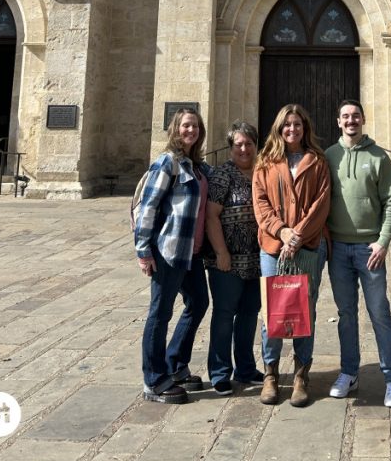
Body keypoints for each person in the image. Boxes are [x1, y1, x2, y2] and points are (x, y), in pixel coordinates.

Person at [252, 103, 331, 407]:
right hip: (274, 246)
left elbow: (322, 203)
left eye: (297, 125)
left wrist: (297, 235)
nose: (292, 130)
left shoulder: (318, 161)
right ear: (278, 128)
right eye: (287, 125)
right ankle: (270, 374)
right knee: (272, 310)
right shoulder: (265, 163)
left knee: (305, 310)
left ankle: (301, 375)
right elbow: (260, 204)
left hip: (308, 245)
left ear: (305, 128)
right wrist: (282, 231)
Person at [326, 100, 391, 407]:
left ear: (363, 119)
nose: (351, 121)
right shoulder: (329, 156)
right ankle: (349, 371)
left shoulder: (379, 156)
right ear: (338, 121)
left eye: (355, 116)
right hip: (339, 249)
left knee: (379, 313)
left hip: (370, 248)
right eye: (345, 116)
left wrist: (383, 241)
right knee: (346, 314)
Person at [135, 107, 211, 403]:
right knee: (160, 313)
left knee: (198, 302)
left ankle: (176, 364)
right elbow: (148, 207)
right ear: (175, 129)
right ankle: (154, 380)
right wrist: (143, 250)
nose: (190, 131)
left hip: (190, 253)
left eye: (195, 126)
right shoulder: (167, 163)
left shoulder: (195, 165)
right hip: (168, 251)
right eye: (185, 126)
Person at [204, 120, 263, 394]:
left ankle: (246, 369)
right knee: (225, 314)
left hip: (256, 260)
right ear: (230, 148)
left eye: (248, 143)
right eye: (238, 144)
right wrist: (221, 252)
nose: (243, 148)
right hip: (227, 260)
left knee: (250, 314)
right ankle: (219, 373)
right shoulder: (222, 175)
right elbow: (211, 215)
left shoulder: (262, 172)